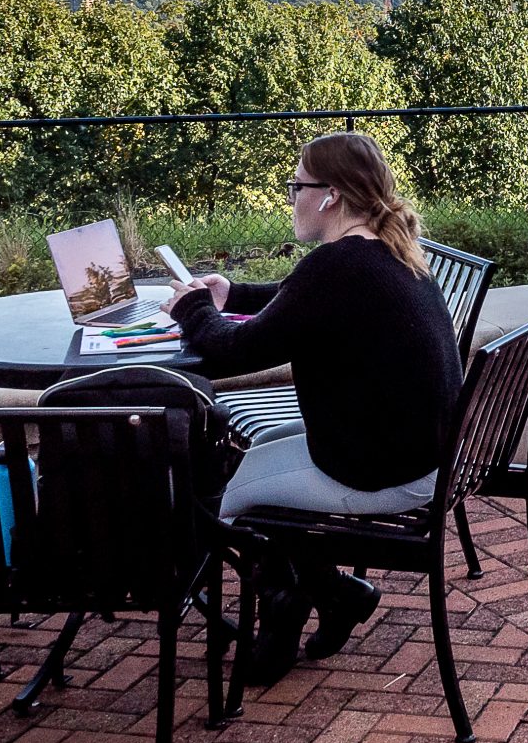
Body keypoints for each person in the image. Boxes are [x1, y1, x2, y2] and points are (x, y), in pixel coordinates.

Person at [170, 131, 463, 686]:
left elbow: (236, 352)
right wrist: (227, 295)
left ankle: (286, 612)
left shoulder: (339, 266)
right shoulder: (380, 249)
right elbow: (297, 301)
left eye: (295, 186)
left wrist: (191, 309)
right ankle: (336, 593)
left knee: (220, 500)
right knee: (249, 453)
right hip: (413, 455)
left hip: (378, 471)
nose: (289, 196)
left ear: (329, 195)